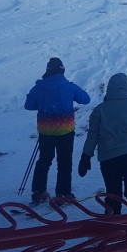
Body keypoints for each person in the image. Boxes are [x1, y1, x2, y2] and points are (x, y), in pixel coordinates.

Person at [78, 73, 127, 215]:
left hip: (109, 158)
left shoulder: (99, 110)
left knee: (113, 193)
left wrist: (86, 156)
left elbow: (92, 136)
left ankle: (113, 223)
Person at [25, 57, 91, 205]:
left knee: (44, 160)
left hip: (46, 131)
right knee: (65, 163)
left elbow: (28, 105)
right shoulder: (68, 86)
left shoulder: (39, 87)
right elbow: (86, 99)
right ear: (62, 71)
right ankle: (63, 194)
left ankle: (38, 192)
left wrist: (44, 103)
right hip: (65, 131)